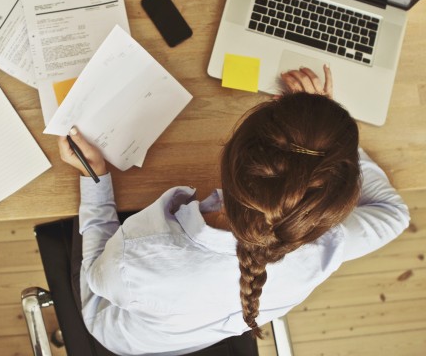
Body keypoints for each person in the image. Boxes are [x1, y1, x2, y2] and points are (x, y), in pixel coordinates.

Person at [58, 66, 409, 356]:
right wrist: (328, 141)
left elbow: (96, 279)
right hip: (199, 332)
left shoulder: (137, 255)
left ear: (230, 154)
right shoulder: (327, 248)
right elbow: (394, 215)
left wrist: (96, 179)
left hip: (117, 333)